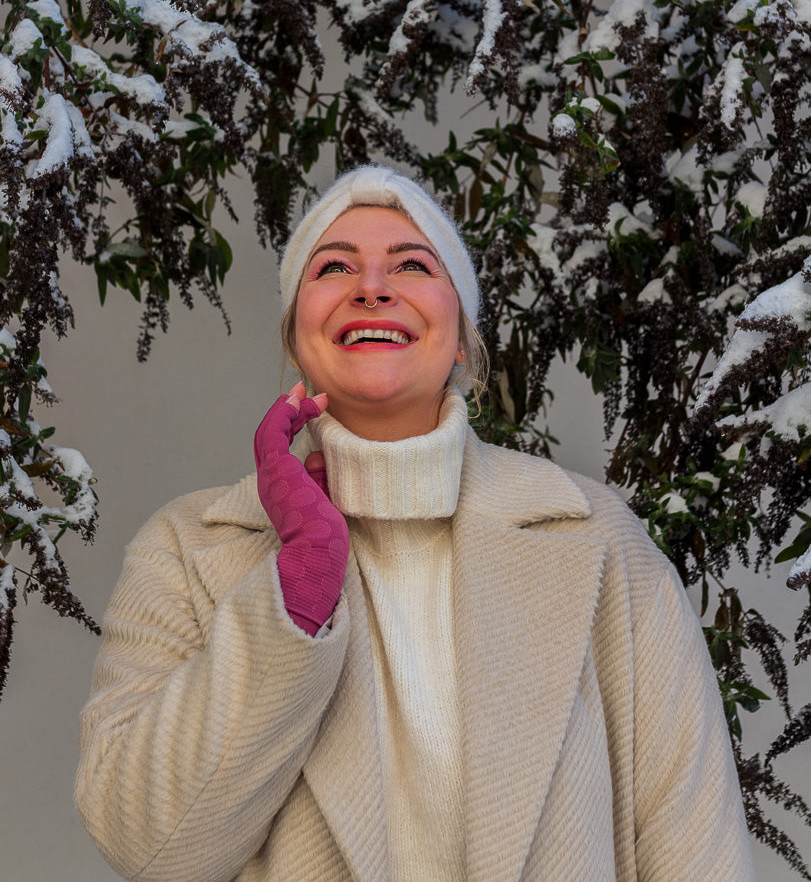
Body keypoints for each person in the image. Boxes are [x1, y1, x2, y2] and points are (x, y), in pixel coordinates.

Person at [75, 166, 756, 882]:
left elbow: (698, 851)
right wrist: (297, 591)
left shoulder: (600, 539)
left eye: (411, 265)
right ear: (296, 338)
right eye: (333, 268)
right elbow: (146, 845)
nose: (371, 287)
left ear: (460, 337)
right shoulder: (185, 550)